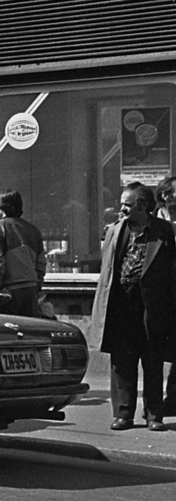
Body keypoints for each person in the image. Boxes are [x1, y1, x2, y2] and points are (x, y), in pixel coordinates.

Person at [89, 183, 176, 431]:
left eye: (126, 205)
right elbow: (107, 271)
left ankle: (153, 416)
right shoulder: (116, 230)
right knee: (122, 362)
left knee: (152, 361)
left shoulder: (163, 231)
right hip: (121, 304)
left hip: (152, 306)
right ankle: (123, 413)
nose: (122, 209)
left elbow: (172, 272)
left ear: (142, 206)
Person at [0, 188, 46, 318]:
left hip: (9, 289)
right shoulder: (33, 230)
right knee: (31, 330)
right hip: (31, 288)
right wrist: (37, 284)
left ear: (1, 207)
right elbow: (41, 263)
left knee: (9, 330)